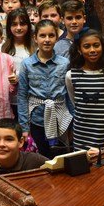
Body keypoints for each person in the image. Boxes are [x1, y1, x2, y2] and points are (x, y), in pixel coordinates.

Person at [17, 19, 73, 158]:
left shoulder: (64, 63)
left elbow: (69, 94)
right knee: (41, 157)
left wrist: (74, 119)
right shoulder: (27, 64)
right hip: (36, 119)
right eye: (42, 36)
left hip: (60, 117)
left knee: (61, 155)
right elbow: (22, 96)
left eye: (51, 35)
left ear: (56, 38)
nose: (47, 40)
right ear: (35, 38)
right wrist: (24, 127)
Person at [66, 29, 104, 151]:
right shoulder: (71, 76)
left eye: (96, 45)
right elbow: (75, 102)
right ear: (79, 49)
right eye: (86, 46)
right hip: (82, 137)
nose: (92, 50)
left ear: (102, 47)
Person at [2, 8, 35, 117]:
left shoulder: (35, 48)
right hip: (7, 100)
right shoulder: (2, 47)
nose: (19, 28)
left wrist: (19, 78)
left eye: (22, 24)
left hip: (28, 99)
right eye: (14, 24)